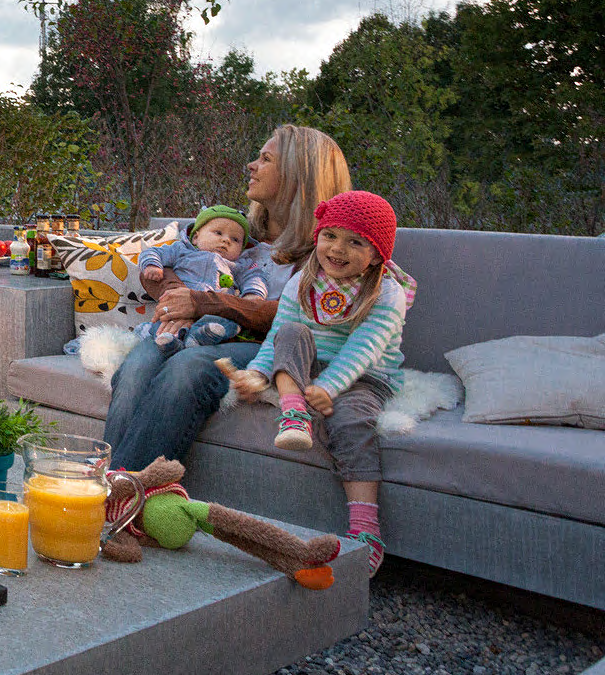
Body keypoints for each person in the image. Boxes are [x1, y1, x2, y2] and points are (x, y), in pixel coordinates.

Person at [103, 125, 351, 471]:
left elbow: (295, 315)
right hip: (203, 330)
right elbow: (179, 257)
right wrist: (181, 300)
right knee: (139, 363)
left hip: (267, 346)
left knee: (187, 368)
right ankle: (107, 474)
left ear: (298, 177)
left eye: (265, 159)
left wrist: (205, 303)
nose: (252, 165)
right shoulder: (237, 235)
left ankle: (127, 491)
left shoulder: (332, 247)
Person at [229, 191, 415, 575]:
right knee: (294, 333)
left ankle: (366, 527)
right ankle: (294, 414)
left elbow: (361, 352)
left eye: (355, 242)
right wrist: (258, 374)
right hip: (309, 365)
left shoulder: (387, 293)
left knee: (351, 421)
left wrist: (327, 389)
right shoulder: (304, 280)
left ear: (378, 254)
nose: (337, 249)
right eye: (330, 235)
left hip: (366, 375)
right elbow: (279, 336)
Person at [134, 204, 270, 350]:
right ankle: (161, 338)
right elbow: (154, 252)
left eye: (235, 239)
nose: (226, 240)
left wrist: (253, 294)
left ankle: (197, 338)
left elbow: (255, 276)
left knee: (228, 324)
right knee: (165, 320)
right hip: (179, 306)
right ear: (196, 237)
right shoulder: (181, 250)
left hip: (212, 310)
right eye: (218, 233)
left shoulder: (239, 265)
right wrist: (152, 265)